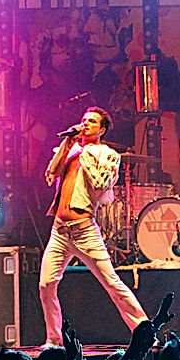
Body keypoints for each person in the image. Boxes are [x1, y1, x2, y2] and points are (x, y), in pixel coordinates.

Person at [38, 106, 149, 346]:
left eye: (91, 122)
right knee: (46, 284)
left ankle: (144, 332)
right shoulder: (70, 150)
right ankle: (54, 340)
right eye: (83, 120)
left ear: (102, 129)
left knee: (112, 283)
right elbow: (51, 174)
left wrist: (86, 152)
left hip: (84, 229)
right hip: (59, 230)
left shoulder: (107, 155)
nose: (85, 124)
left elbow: (100, 184)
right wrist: (68, 146)